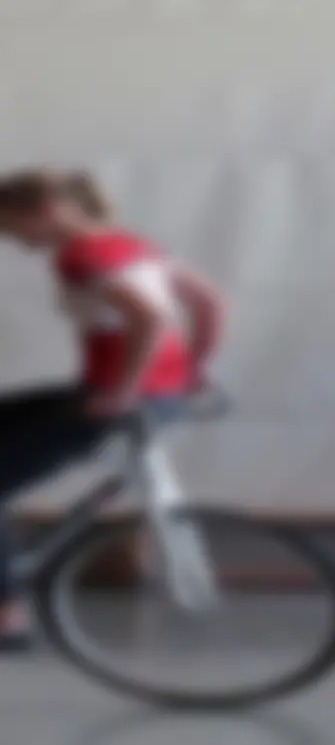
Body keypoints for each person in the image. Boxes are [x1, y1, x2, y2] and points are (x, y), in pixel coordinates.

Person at [0, 168, 225, 652]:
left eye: (11, 227)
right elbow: (208, 302)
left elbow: (149, 317)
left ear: (45, 213)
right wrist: (195, 367)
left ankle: (7, 619)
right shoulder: (135, 245)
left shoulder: (80, 255)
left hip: (118, 401)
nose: (11, 239)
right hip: (155, 397)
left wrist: (125, 389)